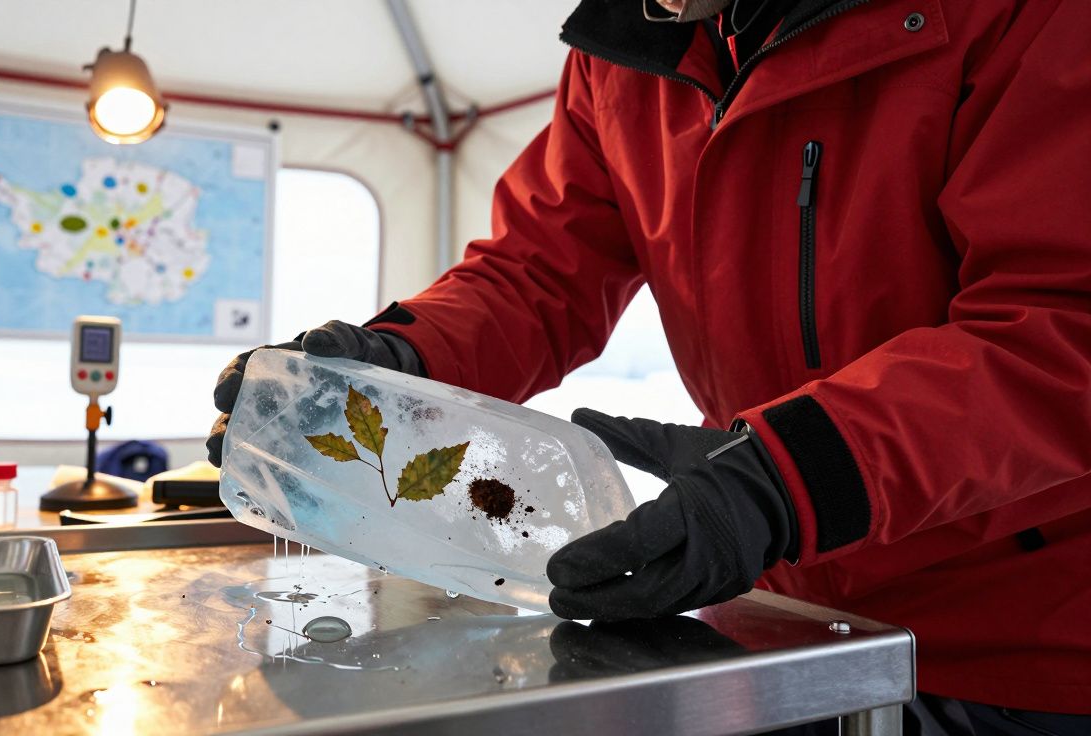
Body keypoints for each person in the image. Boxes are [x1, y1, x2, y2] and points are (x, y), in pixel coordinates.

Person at [210, 0, 1091, 731]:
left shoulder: (1021, 14)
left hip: (1026, 643)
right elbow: (540, 271)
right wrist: (399, 359)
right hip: (788, 613)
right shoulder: (627, 52)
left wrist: (787, 480)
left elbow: (1059, 324)